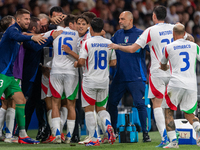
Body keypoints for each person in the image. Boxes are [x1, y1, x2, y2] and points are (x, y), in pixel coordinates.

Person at [0, 9, 46, 144]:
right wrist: (32, 37)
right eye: (25, 19)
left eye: (28, 18)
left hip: (9, 75)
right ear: (18, 20)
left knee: (21, 101)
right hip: (1, 73)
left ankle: (22, 135)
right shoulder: (12, 30)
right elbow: (17, 36)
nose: (27, 21)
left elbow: (20, 36)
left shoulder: (18, 32)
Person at [107, 11, 151, 143]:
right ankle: (113, 132)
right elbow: (109, 49)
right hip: (119, 77)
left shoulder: (141, 34)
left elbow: (152, 50)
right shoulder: (117, 34)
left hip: (136, 76)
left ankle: (145, 133)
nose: (119, 21)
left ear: (130, 20)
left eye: (122, 19)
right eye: (119, 19)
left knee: (140, 104)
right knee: (112, 103)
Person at [74, 17, 117, 146]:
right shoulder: (109, 42)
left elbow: (81, 62)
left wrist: (77, 64)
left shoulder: (87, 43)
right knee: (101, 109)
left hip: (89, 81)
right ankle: (108, 125)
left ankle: (94, 138)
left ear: (91, 29)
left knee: (89, 110)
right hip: (104, 81)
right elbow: (114, 62)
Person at [160, 23, 200, 148]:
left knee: (169, 112)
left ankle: (173, 143)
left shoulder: (168, 47)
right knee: (189, 114)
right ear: (185, 34)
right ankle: (198, 128)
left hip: (175, 83)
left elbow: (163, 65)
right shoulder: (195, 46)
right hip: (191, 85)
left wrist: (167, 66)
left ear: (173, 34)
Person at [22, 17, 62, 141]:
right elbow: (36, 47)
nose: (42, 29)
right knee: (24, 104)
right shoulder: (30, 39)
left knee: (39, 103)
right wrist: (51, 37)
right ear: (34, 28)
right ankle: (18, 132)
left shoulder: (31, 36)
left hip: (39, 74)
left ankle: (46, 131)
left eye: (45, 26)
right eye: (40, 26)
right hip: (28, 75)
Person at [47, 14, 79, 144]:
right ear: (71, 24)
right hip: (71, 72)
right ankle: (69, 136)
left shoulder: (55, 32)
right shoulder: (78, 35)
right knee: (71, 105)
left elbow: (38, 37)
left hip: (55, 71)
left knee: (55, 103)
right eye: (77, 23)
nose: (78, 26)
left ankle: (56, 135)